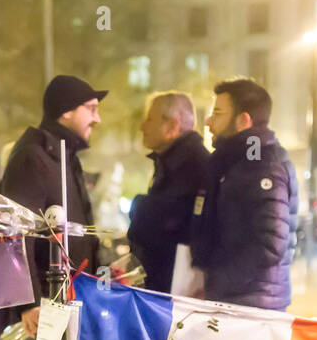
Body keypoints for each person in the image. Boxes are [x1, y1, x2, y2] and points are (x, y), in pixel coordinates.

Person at [0, 73, 105, 340]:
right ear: (67, 110)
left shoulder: (62, 154)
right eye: (91, 109)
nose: (97, 119)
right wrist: (27, 301)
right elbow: (14, 230)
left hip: (72, 296)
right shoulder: (33, 155)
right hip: (46, 301)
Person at [191, 77, 298, 310]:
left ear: (243, 120)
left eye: (218, 114)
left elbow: (270, 244)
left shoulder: (261, 164)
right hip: (241, 302)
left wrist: (218, 283)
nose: (209, 121)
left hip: (251, 309)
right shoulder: (237, 162)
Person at [127, 90, 210, 294]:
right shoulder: (171, 161)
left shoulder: (195, 166)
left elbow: (170, 220)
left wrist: (139, 206)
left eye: (150, 119)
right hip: (164, 287)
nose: (142, 127)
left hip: (177, 293)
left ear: (172, 125)